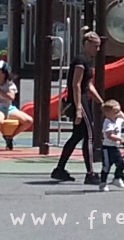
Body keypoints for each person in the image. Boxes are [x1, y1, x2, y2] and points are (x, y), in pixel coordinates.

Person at [51, 30, 103, 183]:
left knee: (77, 136)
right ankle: (90, 173)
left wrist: (100, 101)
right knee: (89, 135)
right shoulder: (80, 61)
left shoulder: (88, 60)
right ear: (87, 44)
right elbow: (76, 85)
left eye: (98, 46)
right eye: (95, 46)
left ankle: (59, 169)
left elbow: (88, 84)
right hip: (79, 101)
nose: (97, 49)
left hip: (84, 100)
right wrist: (79, 107)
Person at [0, 61, 33, 150]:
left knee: (28, 121)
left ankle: (10, 137)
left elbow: (11, 97)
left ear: (3, 73)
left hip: (8, 108)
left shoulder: (10, 84)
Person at [98, 99, 124, 190]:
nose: (117, 114)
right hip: (107, 148)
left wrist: (119, 111)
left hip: (115, 148)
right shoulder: (108, 122)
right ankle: (103, 183)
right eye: (115, 112)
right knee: (106, 166)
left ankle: (117, 178)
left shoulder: (118, 120)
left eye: (118, 111)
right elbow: (109, 135)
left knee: (121, 164)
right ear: (107, 113)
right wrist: (118, 138)